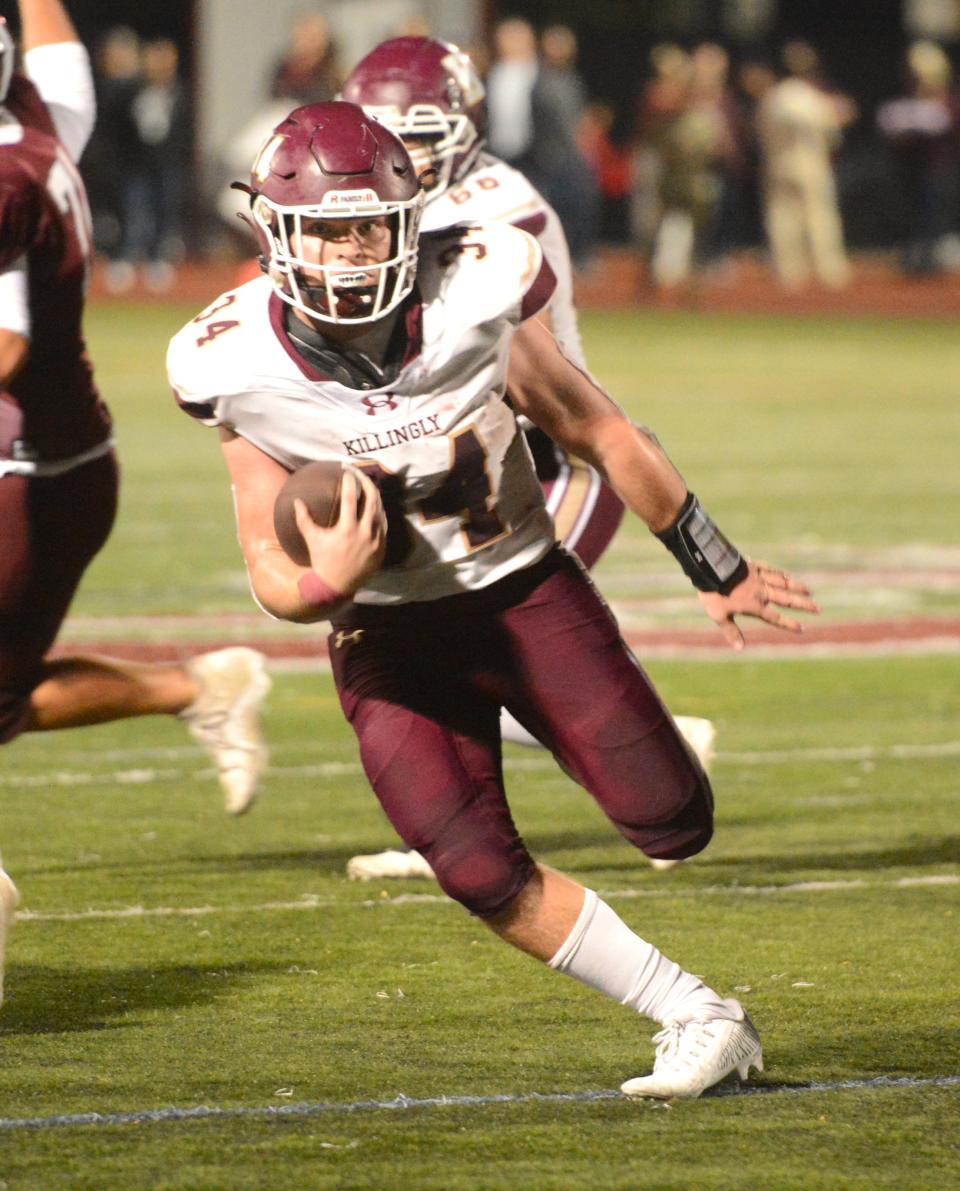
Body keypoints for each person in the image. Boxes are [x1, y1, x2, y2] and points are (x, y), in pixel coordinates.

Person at [167, 100, 818, 1099]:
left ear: (408, 221)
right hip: (383, 633)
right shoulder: (232, 360)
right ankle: (698, 1014)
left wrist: (712, 562)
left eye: (368, 226)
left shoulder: (477, 286)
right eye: (326, 229)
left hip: (522, 590)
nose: (348, 253)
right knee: (474, 868)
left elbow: (598, 429)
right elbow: (265, 553)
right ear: (276, 233)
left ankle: (608, 743)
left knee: (674, 820)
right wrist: (320, 586)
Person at [339, 35, 716, 881]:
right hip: (470, 469)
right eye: (383, 130)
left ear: (464, 124)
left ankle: (628, 764)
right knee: (426, 645)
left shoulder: (494, 208)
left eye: (417, 128)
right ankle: (467, 822)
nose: (399, 146)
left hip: (553, 467)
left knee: (465, 639)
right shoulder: (400, 202)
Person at [0, 0, 271, 1009]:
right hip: (59, 462)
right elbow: (56, 43)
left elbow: (8, 342)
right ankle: (201, 689)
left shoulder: (6, 175)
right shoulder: (41, 111)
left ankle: (199, 690)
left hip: (27, 473)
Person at [756, 41, 853, 290]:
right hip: (809, 161)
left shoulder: (773, 96)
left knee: (782, 217)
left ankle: (789, 272)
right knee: (819, 216)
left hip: (777, 162)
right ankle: (829, 270)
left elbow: (759, 131)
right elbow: (833, 128)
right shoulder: (811, 97)